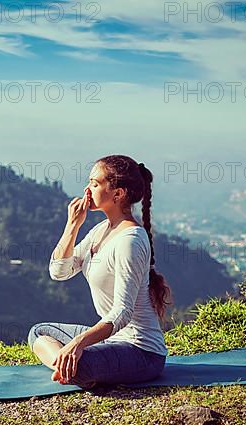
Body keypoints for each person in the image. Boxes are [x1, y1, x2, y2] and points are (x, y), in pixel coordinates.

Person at [27, 155, 174, 389]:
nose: (87, 189)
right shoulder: (100, 230)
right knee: (39, 332)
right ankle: (67, 368)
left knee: (80, 362)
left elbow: (122, 313)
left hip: (142, 353)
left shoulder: (130, 241)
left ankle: (73, 368)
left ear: (118, 194)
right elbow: (59, 271)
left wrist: (78, 343)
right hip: (113, 340)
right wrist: (72, 226)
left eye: (95, 183)